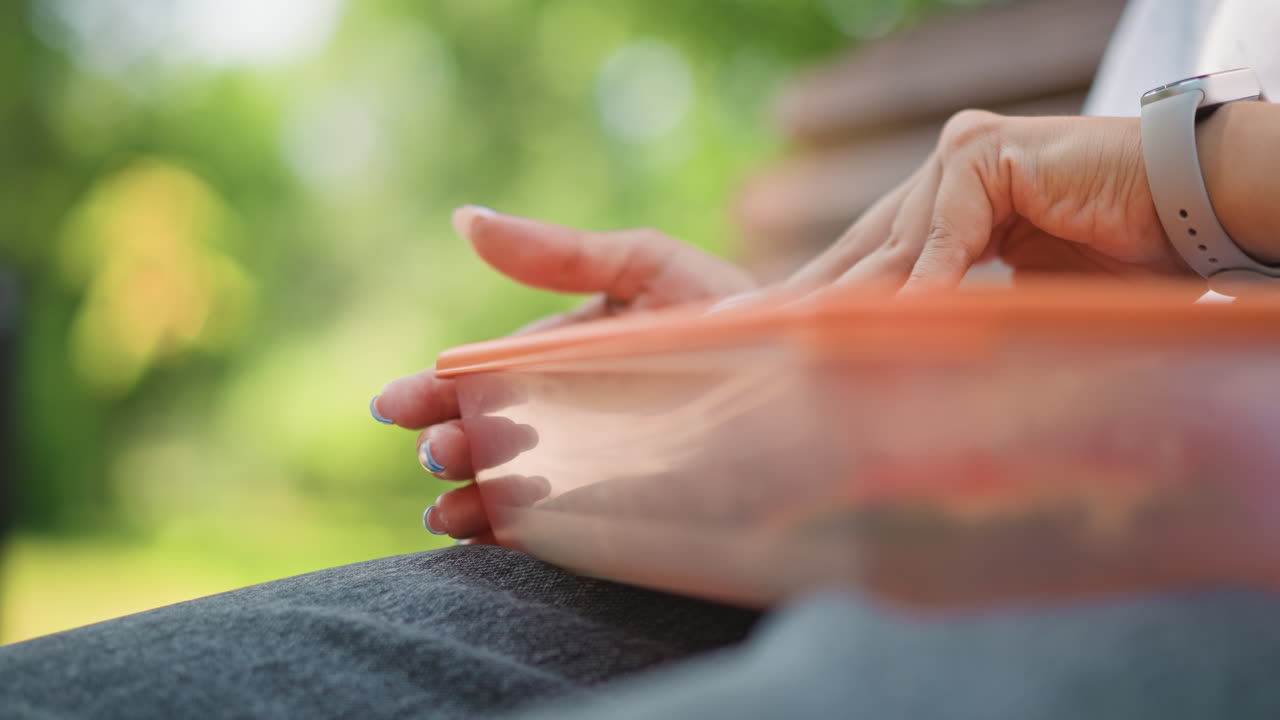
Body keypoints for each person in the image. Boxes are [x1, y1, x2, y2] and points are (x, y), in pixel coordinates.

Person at [5, 1, 1280, 717]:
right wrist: (752, 371)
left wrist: (1195, 171)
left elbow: (1162, 201)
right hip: (1041, 512)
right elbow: (1112, 306)